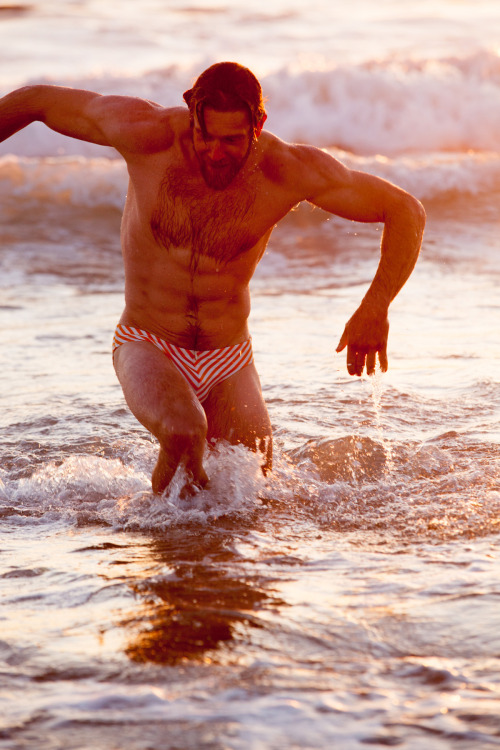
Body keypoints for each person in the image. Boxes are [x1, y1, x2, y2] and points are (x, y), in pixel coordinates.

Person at [0, 62, 425, 494]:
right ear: (190, 109)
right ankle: (151, 528)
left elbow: (405, 211)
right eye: (206, 135)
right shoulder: (147, 133)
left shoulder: (285, 170)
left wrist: (375, 307)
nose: (216, 152)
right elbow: (37, 101)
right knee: (184, 431)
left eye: (232, 140)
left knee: (252, 489)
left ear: (259, 125)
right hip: (149, 341)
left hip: (230, 357)